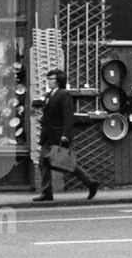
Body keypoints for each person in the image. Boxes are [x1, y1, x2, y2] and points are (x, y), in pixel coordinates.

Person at [32, 69, 99, 202]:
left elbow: (68, 117)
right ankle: (47, 192)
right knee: (43, 163)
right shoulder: (50, 94)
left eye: (51, 79)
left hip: (57, 135)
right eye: (49, 79)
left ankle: (90, 182)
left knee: (63, 163)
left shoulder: (64, 95)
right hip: (48, 135)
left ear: (58, 81)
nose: (49, 81)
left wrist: (65, 135)